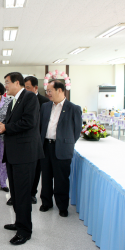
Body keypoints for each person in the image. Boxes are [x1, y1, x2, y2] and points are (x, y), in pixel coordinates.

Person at [0, 72, 44, 246]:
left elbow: (28, 122)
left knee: (23, 194)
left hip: (25, 154)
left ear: (17, 82)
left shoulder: (29, 97)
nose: (5, 86)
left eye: (7, 83)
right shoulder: (14, 100)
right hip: (15, 153)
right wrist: (3, 126)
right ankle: (19, 222)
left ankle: (25, 231)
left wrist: (5, 128)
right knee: (15, 193)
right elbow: (13, 121)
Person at [39, 81, 82, 217]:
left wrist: (66, 143)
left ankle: (62, 206)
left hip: (62, 148)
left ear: (60, 90)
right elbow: (40, 126)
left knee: (61, 179)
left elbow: (76, 131)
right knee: (45, 177)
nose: (48, 93)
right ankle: (46, 202)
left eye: (50, 90)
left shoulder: (73, 108)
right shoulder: (45, 106)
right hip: (45, 146)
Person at [21, 76, 51, 205]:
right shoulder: (21, 99)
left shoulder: (44, 101)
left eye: (27, 87)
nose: (25, 90)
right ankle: (19, 194)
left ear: (35, 87)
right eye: (24, 87)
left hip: (38, 140)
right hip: (23, 141)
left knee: (36, 169)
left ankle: (32, 193)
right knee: (22, 170)